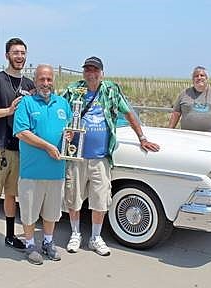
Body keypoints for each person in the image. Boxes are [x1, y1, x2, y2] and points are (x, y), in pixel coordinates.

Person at [62, 56, 160, 256]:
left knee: (100, 199)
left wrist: (142, 137)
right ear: (83, 72)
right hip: (76, 156)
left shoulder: (111, 90)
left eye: (95, 70)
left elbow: (128, 113)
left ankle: (96, 237)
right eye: (87, 69)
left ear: (102, 73)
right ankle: (75, 234)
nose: (91, 73)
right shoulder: (73, 90)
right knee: (74, 197)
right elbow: (59, 111)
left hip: (101, 157)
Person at [0, 38, 35, 262]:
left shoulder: (29, 84)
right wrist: (8, 110)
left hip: (20, 148)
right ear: (7, 55)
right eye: (15, 52)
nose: (19, 56)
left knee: (12, 195)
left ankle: (10, 236)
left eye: (22, 52)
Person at [13, 64, 72, 265]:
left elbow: (69, 131)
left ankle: (48, 242)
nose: (45, 83)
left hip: (56, 171)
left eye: (49, 79)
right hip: (32, 171)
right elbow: (21, 132)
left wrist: (70, 137)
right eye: (41, 79)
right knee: (29, 213)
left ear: (53, 80)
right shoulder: (26, 103)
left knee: (52, 213)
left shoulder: (63, 103)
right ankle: (30, 244)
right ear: (35, 80)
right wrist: (47, 146)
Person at [168, 66, 211, 133]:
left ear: (207, 78)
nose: (199, 78)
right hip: (187, 136)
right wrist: (169, 132)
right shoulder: (184, 93)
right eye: (196, 76)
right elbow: (176, 114)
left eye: (202, 75)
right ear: (193, 79)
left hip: (209, 136)